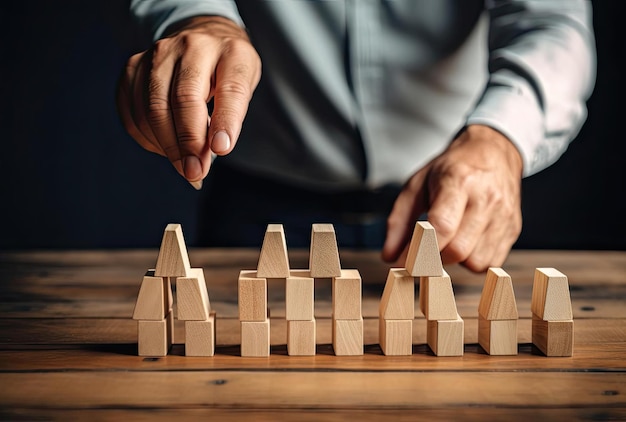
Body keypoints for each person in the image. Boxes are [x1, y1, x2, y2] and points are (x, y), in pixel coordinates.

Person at [116, 1, 596, 272]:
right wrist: (196, 17)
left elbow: (553, 22)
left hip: (449, 205)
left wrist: (501, 139)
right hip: (257, 205)